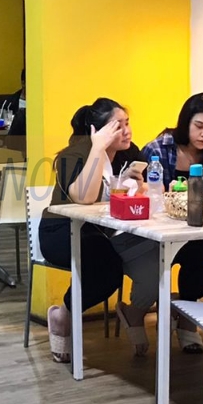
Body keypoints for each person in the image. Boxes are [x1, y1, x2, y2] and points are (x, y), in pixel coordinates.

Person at [40, 99, 158, 362]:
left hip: (105, 232)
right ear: (98, 130)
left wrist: (139, 187)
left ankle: (135, 312)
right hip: (61, 231)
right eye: (118, 126)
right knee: (107, 271)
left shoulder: (129, 153)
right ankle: (62, 316)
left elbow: (144, 193)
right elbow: (84, 197)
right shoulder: (72, 156)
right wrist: (97, 148)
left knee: (152, 257)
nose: (127, 132)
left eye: (128, 123)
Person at [141, 93, 203, 353]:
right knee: (195, 254)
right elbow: (145, 196)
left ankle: (181, 305)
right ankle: (186, 321)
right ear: (186, 122)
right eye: (199, 126)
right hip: (162, 234)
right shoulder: (159, 149)